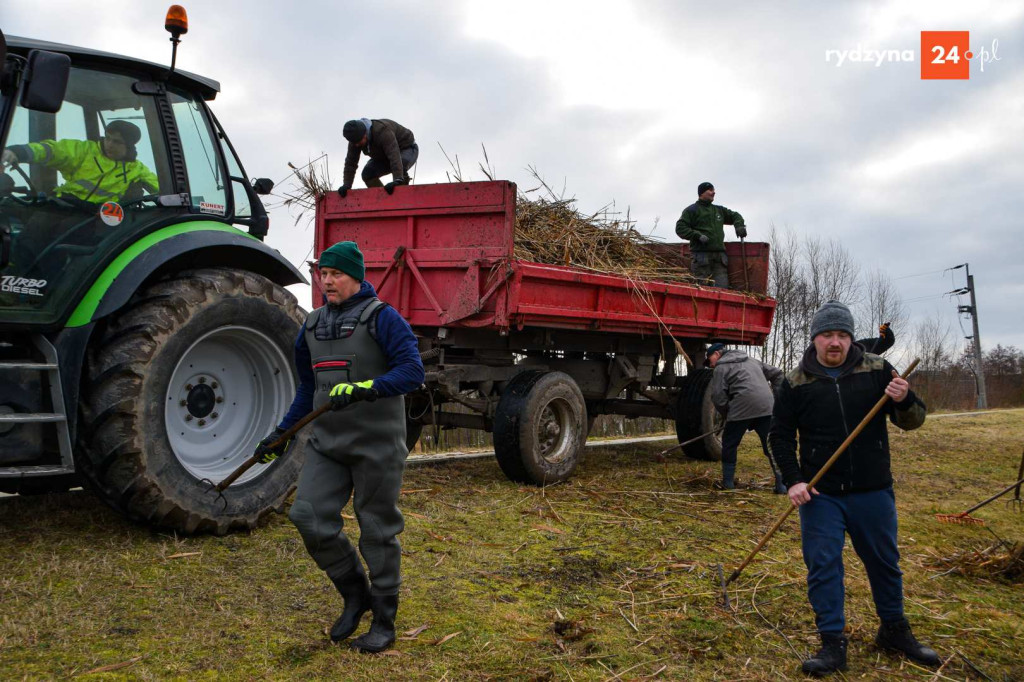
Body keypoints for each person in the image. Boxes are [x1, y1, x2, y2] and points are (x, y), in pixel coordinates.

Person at [254, 241, 424, 653]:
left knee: (377, 529)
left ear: (356, 276)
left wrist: (368, 387)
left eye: (335, 274)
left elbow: (412, 372)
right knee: (308, 517)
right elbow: (308, 389)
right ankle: (355, 594)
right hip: (327, 443)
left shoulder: (383, 319)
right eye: (322, 273)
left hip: (376, 444)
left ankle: (384, 620)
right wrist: (282, 434)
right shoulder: (311, 327)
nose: (326, 280)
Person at [769, 301, 939, 677]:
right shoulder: (795, 382)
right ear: (814, 339)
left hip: (872, 490)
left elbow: (914, 421)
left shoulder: (878, 370)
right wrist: (794, 479)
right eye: (827, 335)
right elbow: (779, 436)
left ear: (851, 338)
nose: (835, 342)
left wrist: (904, 398)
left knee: (884, 562)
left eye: (842, 335)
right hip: (821, 493)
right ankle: (832, 642)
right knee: (824, 564)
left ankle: (894, 630)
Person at [1, 120, 159, 204]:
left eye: (117, 142)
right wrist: (19, 152)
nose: (109, 144)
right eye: (108, 138)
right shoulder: (85, 150)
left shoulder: (136, 170)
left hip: (96, 217)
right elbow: (53, 151)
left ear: (129, 146)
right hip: (66, 203)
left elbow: (164, 188)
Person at [706, 342, 786, 492]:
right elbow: (778, 374)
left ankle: (728, 483)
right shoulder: (752, 360)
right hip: (767, 407)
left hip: (740, 408)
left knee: (729, 444)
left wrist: (728, 414)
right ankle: (782, 485)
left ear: (717, 354)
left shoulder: (720, 368)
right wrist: (777, 398)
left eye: (709, 359)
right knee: (772, 445)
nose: (710, 365)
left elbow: (718, 397)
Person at [675, 181, 746, 287]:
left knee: (722, 291)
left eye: (714, 190)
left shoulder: (718, 210)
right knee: (702, 291)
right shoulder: (692, 210)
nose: (714, 193)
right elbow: (680, 228)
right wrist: (697, 235)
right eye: (710, 190)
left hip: (719, 259)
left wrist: (739, 225)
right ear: (702, 193)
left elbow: (735, 216)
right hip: (701, 258)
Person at [336, 118, 418, 196]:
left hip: (406, 149)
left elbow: (394, 155)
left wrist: (397, 179)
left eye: (359, 142)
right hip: (384, 156)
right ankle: (383, 200)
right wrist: (347, 185)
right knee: (367, 174)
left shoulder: (383, 131)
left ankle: (401, 199)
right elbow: (351, 163)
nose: (357, 145)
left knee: (401, 167)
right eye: (354, 143)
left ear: (364, 134)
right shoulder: (354, 141)